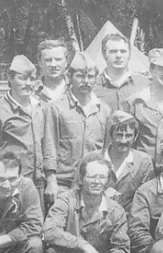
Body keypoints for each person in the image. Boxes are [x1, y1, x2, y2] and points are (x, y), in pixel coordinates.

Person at [0, 55, 49, 207]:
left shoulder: (40, 108)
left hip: (37, 185)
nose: (28, 83)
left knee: (35, 221)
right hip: (9, 186)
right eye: (22, 78)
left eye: (32, 79)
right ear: (10, 78)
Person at [44, 52, 112, 202]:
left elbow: (106, 150)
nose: (86, 81)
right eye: (80, 76)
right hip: (64, 183)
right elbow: (50, 147)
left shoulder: (104, 111)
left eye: (91, 76)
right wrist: (51, 181)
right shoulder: (56, 108)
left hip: (93, 183)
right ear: (69, 76)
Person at [122, 48, 163, 163]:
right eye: (160, 69)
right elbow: (126, 139)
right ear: (151, 69)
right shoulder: (135, 102)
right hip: (142, 166)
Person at [89, 111, 154, 212]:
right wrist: (102, 193)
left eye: (128, 136)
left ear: (135, 137)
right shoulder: (92, 159)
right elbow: (77, 192)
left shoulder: (144, 162)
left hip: (129, 217)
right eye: (119, 135)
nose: (123, 141)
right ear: (111, 135)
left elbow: (145, 201)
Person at [93, 32, 150, 111]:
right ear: (104, 54)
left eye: (123, 51)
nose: (118, 56)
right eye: (113, 51)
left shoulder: (144, 84)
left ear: (129, 54)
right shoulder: (93, 87)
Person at [34, 39, 70, 104]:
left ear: (66, 62)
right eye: (48, 60)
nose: (53, 64)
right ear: (40, 63)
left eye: (58, 59)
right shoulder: (32, 91)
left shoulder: (75, 89)